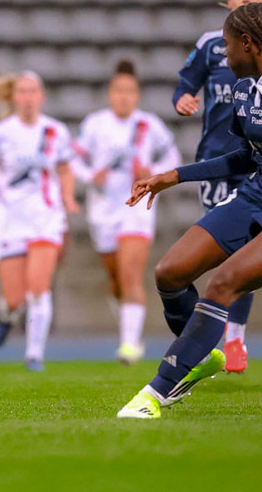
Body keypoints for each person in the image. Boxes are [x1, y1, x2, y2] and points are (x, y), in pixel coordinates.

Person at [117, 3, 262, 419]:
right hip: (255, 193)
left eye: (228, 47)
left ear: (248, 44)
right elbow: (246, 155)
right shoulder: (246, 89)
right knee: (169, 273)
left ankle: (156, 392)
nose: (224, 57)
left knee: (223, 283)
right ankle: (203, 352)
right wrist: (172, 176)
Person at [172, 0, 262, 373]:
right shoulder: (212, 45)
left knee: (247, 250)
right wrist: (184, 99)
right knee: (221, 250)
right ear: (229, 1)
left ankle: (235, 337)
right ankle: (211, 328)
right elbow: (184, 85)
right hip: (216, 163)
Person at [74, 60, 181, 365]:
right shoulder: (95, 125)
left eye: (129, 91)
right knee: (116, 279)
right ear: (110, 93)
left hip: (137, 210)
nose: (123, 96)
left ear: (137, 95)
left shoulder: (149, 125)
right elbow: (74, 161)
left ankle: (129, 345)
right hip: (103, 211)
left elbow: (172, 156)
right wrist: (91, 175)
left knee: (131, 273)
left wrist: (154, 172)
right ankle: (127, 321)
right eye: (119, 90)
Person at [0, 71, 77, 371]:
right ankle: (7, 316)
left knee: (39, 287)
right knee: (16, 298)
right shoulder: (1, 133)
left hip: (45, 218)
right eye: (23, 91)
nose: (29, 97)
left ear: (41, 96)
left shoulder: (55, 131)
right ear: (14, 97)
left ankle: (34, 354)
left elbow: (65, 169)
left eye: (33, 91)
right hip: (8, 219)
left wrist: (68, 197)